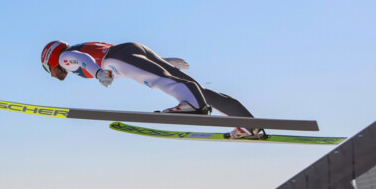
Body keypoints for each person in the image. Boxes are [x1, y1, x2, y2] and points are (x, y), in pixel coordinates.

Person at [41, 40, 265, 139]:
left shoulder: (63, 58)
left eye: (47, 69)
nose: (51, 74)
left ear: (50, 60)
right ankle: (248, 124)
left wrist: (98, 72)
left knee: (159, 82)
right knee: (199, 89)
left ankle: (192, 105)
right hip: (131, 49)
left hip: (116, 59)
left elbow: (82, 59)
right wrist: (164, 62)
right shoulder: (83, 46)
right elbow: (133, 56)